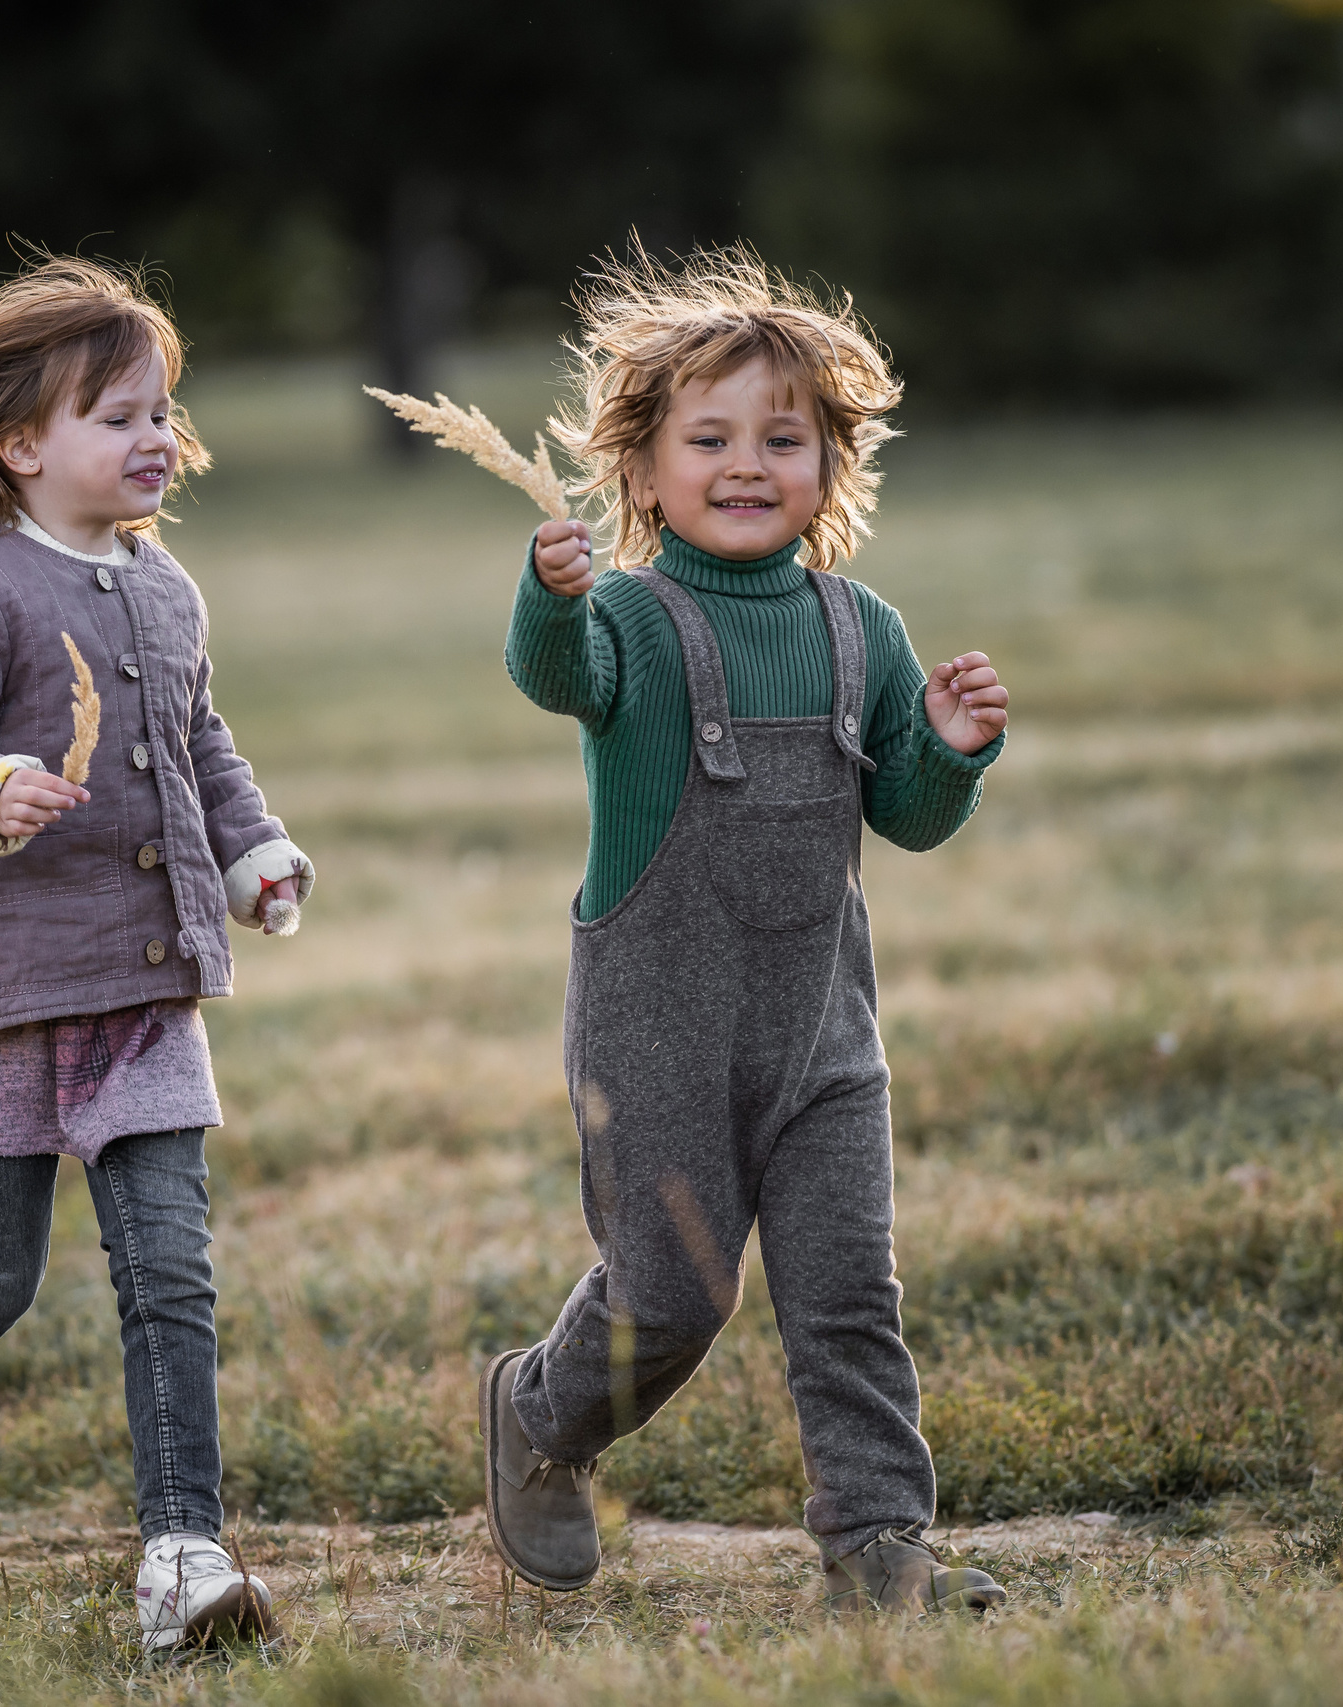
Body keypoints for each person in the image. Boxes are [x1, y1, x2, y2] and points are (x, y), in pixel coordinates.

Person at [483, 244, 1012, 1616]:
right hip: (656, 1037)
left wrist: (947, 751)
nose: (746, 464)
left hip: (821, 1037)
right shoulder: (628, 621)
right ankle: (542, 1417)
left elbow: (905, 818)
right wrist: (548, 596)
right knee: (672, 1299)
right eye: (707, 438)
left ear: (831, 465)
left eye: (784, 438)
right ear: (643, 471)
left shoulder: (864, 631)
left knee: (848, 1297)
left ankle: (879, 1548)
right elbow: (561, 679)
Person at [0, 257, 308, 1653]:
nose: (153, 438)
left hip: (145, 992)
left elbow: (201, 747)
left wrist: (255, 849)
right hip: (6, 993)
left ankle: (183, 1557)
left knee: (171, 1274)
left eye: (162, 411)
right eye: (115, 415)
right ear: (24, 445)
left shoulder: (167, 591)